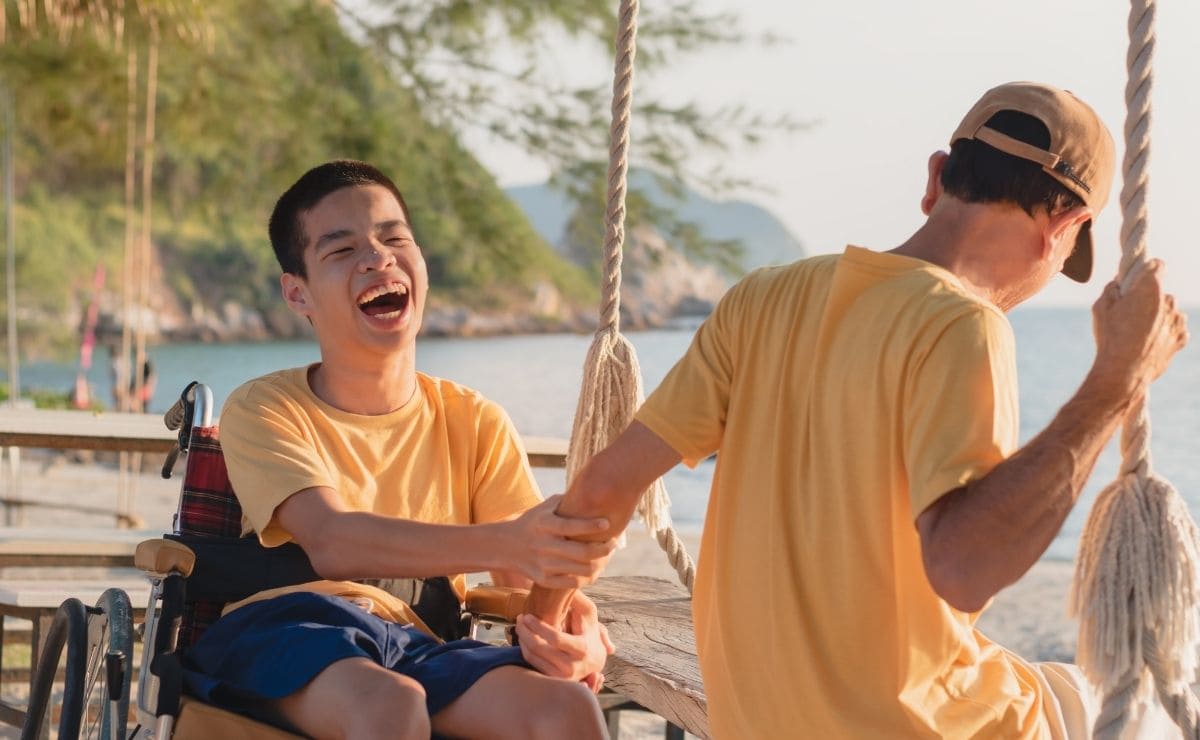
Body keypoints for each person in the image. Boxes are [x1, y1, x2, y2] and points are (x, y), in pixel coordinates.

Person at [533, 82, 1190, 738]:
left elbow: (602, 487)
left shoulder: (763, 297)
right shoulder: (965, 326)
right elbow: (964, 571)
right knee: (1149, 709)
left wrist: (544, 632)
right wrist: (1115, 382)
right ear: (1062, 230)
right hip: (916, 726)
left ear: (936, 178)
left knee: (1067, 687)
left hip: (758, 723)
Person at [182, 160, 616, 740]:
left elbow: (525, 578)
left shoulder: (474, 420)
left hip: (422, 641)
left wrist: (579, 627)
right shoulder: (265, 407)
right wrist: (513, 539)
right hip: (292, 626)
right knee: (388, 705)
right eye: (341, 251)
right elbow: (333, 541)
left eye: (394, 238)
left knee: (567, 711)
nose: (377, 257)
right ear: (298, 293)